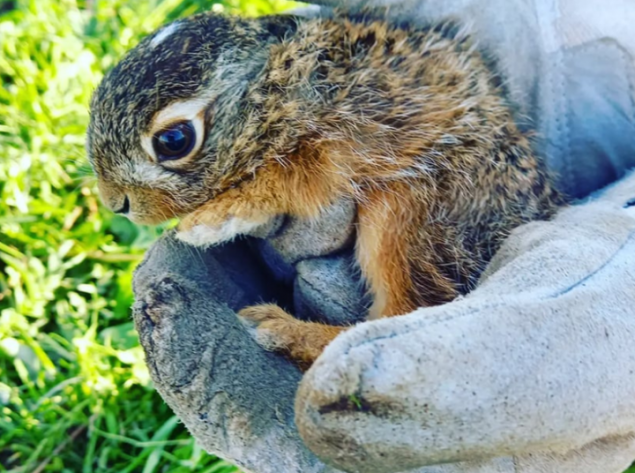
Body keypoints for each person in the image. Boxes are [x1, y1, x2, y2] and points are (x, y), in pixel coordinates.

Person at [132, 0, 635, 471]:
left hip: (455, 168)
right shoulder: (285, 79)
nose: (119, 204)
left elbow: (327, 164)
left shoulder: (304, 90)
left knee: (414, 194)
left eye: (174, 141)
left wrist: (253, 198)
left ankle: (368, 342)